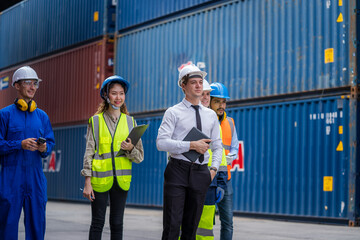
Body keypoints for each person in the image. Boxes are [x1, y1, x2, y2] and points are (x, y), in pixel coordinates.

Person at [157, 64, 223, 240]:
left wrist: (213, 170)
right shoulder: (173, 112)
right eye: (193, 82)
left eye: (200, 82)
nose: (198, 86)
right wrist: (191, 145)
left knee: (191, 227)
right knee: (172, 225)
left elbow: (217, 146)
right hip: (177, 171)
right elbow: (161, 143)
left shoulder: (210, 116)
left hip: (202, 173)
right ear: (183, 86)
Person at [81, 75, 144, 240]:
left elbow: (139, 157)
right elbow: (89, 152)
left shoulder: (131, 122)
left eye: (121, 93)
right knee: (97, 223)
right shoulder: (95, 121)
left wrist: (130, 149)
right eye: (114, 93)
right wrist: (87, 182)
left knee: (117, 224)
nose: (118, 98)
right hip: (99, 180)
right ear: (106, 95)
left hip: (121, 181)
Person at [0, 66, 55, 240]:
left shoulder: (42, 116)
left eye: (35, 84)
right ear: (16, 85)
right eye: (28, 83)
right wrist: (19, 144)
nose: (32, 87)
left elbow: (50, 142)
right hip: (10, 178)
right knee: (7, 223)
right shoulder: (4, 115)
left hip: (35, 177)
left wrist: (44, 148)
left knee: (37, 223)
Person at [196, 80, 227, 240]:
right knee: (185, 224)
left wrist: (220, 183)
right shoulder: (184, 116)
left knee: (206, 226)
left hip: (210, 181)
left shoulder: (213, 120)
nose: (205, 97)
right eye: (203, 94)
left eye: (208, 94)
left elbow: (219, 156)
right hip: (190, 179)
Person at [209, 82, 239, 240]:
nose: (221, 105)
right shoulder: (204, 121)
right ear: (209, 101)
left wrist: (230, 157)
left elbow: (234, 148)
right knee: (205, 222)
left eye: (224, 101)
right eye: (217, 101)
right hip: (207, 179)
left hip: (225, 179)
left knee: (227, 222)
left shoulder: (231, 123)